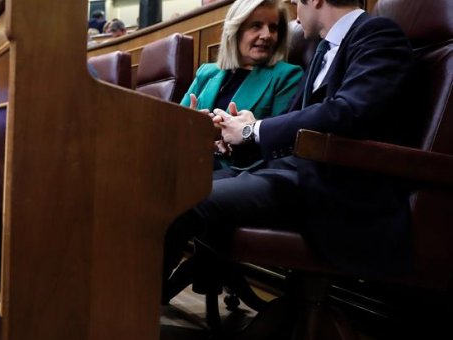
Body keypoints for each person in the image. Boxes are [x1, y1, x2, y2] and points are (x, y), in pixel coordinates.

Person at [163, 0, 414, 304]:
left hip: (331, 190)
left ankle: (127, 315)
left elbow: (347, 112)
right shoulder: (323, 49)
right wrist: (247, 130)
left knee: (182, 199)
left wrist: (251, 131)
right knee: (171, 188)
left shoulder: (377, 34)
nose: (295, 12)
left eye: (296, 3)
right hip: (289, 175)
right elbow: (294, 125)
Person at [180, 0, 302, 171]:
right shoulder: (206, 72)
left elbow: (279, 140)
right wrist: (190, 124)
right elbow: (175, 126)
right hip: (191, 160)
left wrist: (232, 137)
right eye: (256, 26)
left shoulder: (287, 75)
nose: (267, 35)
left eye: (273, 28)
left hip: (238, 172)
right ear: (235, 31)